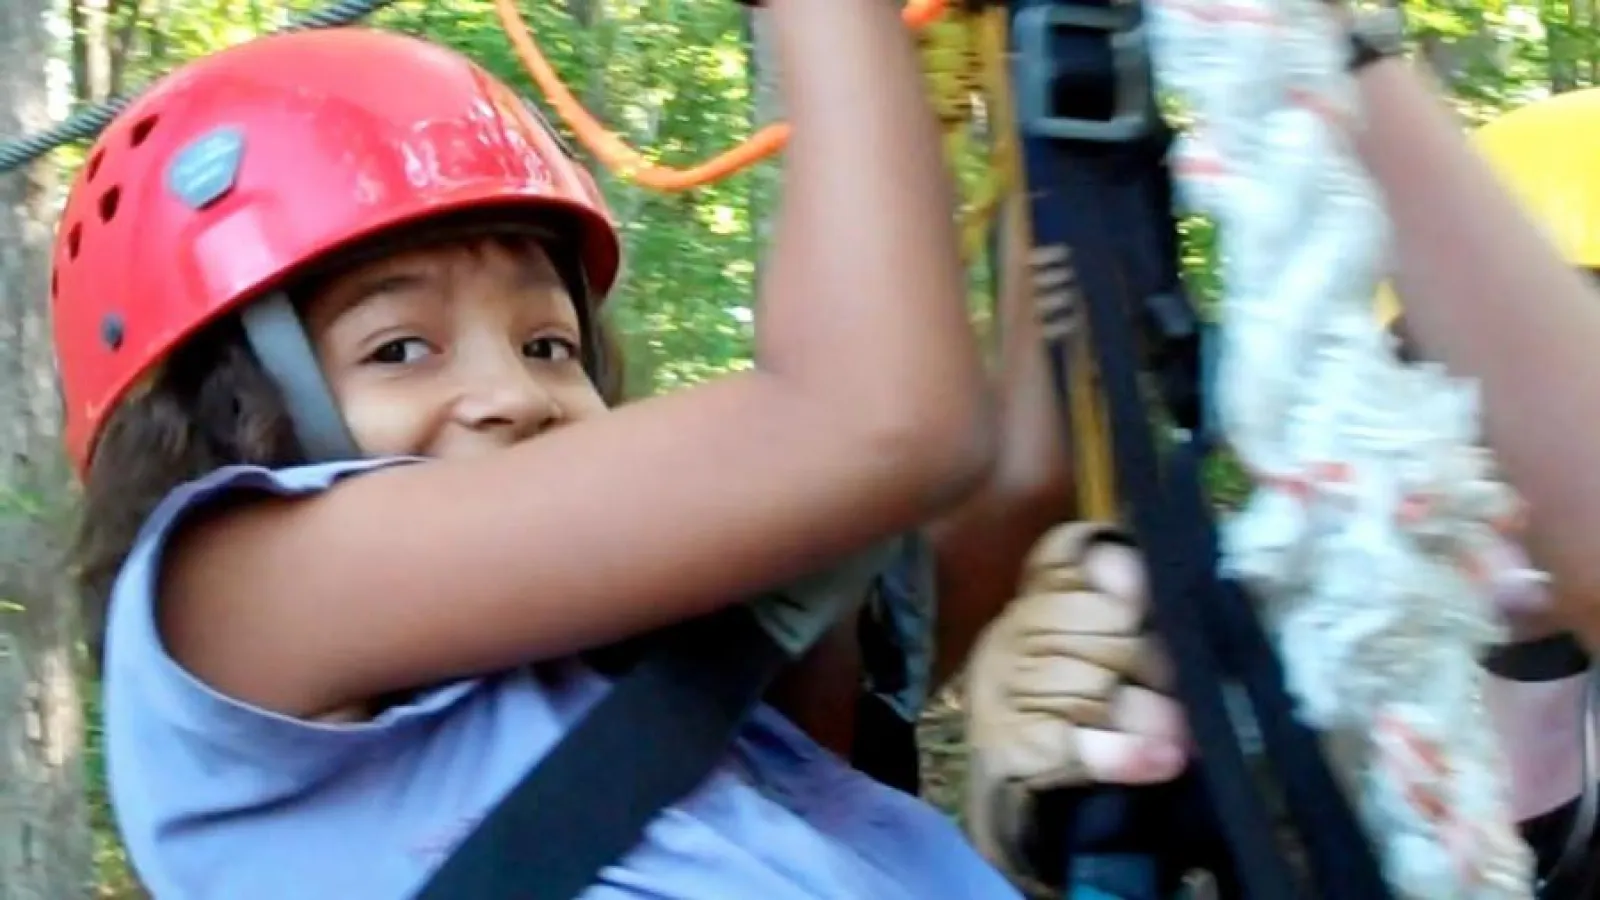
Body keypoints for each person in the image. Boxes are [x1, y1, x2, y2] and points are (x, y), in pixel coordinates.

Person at [54, 7, 1058, 897]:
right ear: (224, 410)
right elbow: (880, 420)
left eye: (549, 346)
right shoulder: (234, 594)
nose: (514, 398)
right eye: (400, 349)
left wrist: (1051, 119)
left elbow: (1012, 487)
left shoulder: (643, 677)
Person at [961, 76, 1600, 899]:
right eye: (1431, 364)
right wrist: (1046, 801)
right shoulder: (1280, 708)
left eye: (1558, 392)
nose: (1492, 430)